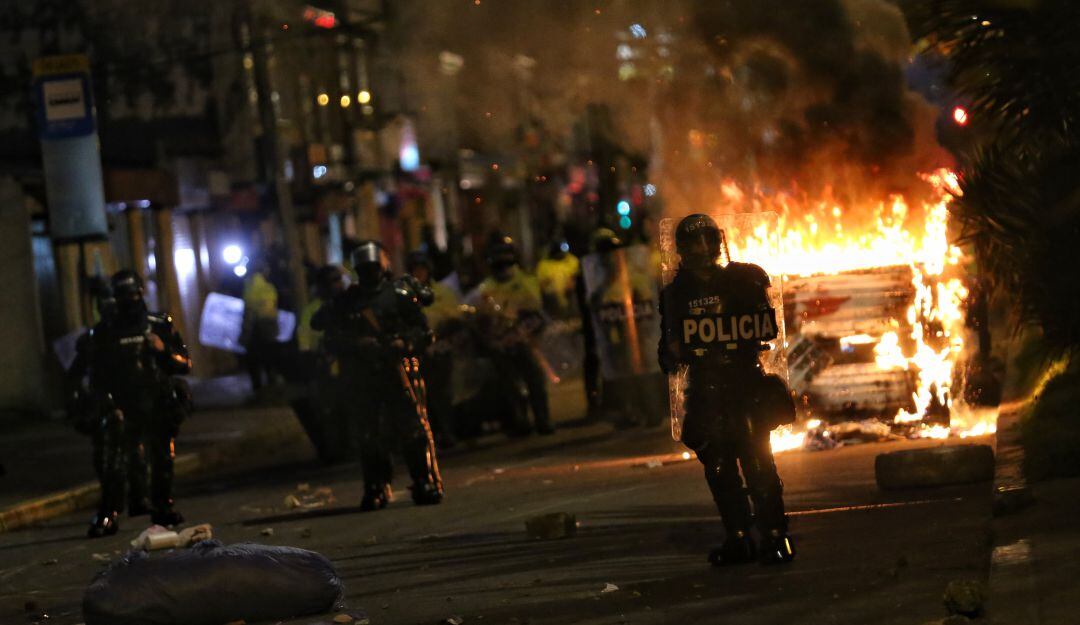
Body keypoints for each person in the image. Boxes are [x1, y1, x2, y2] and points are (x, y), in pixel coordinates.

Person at [658, 214, 796, 566]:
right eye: (695, 242)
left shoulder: (744, 278)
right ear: (683, 249)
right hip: (705, 388)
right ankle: (739, 538)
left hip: (745, 381)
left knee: (758, 462)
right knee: (718, 467)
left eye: (708, 240)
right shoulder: (676, 293)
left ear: (718, 240)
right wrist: (674, 352)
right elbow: (668, 351)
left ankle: (775, 536)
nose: (704, 249)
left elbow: (768, 330)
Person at [312, 241, 443, 510]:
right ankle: (376, 486)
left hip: (398, 371)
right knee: (368, 434)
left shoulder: (398, 293)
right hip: (363, 375)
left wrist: (403, 343)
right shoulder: (346, 301)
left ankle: (424, 480)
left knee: (413, 430)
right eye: (365, 269)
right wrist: (357, 345)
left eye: (373, 268)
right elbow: (326, 333)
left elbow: (424, 331)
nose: (370, 274)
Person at [68, 270, 192, 537]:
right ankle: (109, 512)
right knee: (111, 461)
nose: (130, 300)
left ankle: (163, 506)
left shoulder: (158, 324)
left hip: (156, 401)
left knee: (163, 458)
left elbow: (184, 363)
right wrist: (101, 404)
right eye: (124, 296)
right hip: (120, 406)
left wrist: (163, 350)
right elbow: (86, 373)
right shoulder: (103, 332)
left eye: (133, 294)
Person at [469, 237, 555, 436]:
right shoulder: (486, 288)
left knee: (534, 380)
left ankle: (542, 419)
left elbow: (535, 310)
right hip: (500, 342)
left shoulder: (524, 281)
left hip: (523, 340)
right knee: (509, 386)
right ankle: (520, 422)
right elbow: (478, 315)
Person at [293, 265, 349, 462]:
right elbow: (306, 342)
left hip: (353, 364)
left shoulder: (350, 303)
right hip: (328, 369)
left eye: (338, 281)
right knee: (329, 410)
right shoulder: (313, 311)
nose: (337, 286)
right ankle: (334, 449)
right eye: (332, 282)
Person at [407, 250, 461, 449]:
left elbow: (455, 318)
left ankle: (447, 431)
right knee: (422, 396)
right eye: (415, 270)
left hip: (440, 347)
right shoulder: (407, 296)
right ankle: (433, 434)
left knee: (442, 393)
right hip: (419, 351)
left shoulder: (442, 293)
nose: (419, 274)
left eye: (422, 269)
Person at [242, 258, 280, 393]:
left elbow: (249, 309)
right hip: (269, 326)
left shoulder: (250, 284)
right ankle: (272, 387)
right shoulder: (269, 286)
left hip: (256, 326)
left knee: (254, 360)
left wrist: (245, 332)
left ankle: (258, 390)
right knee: (269, 358)